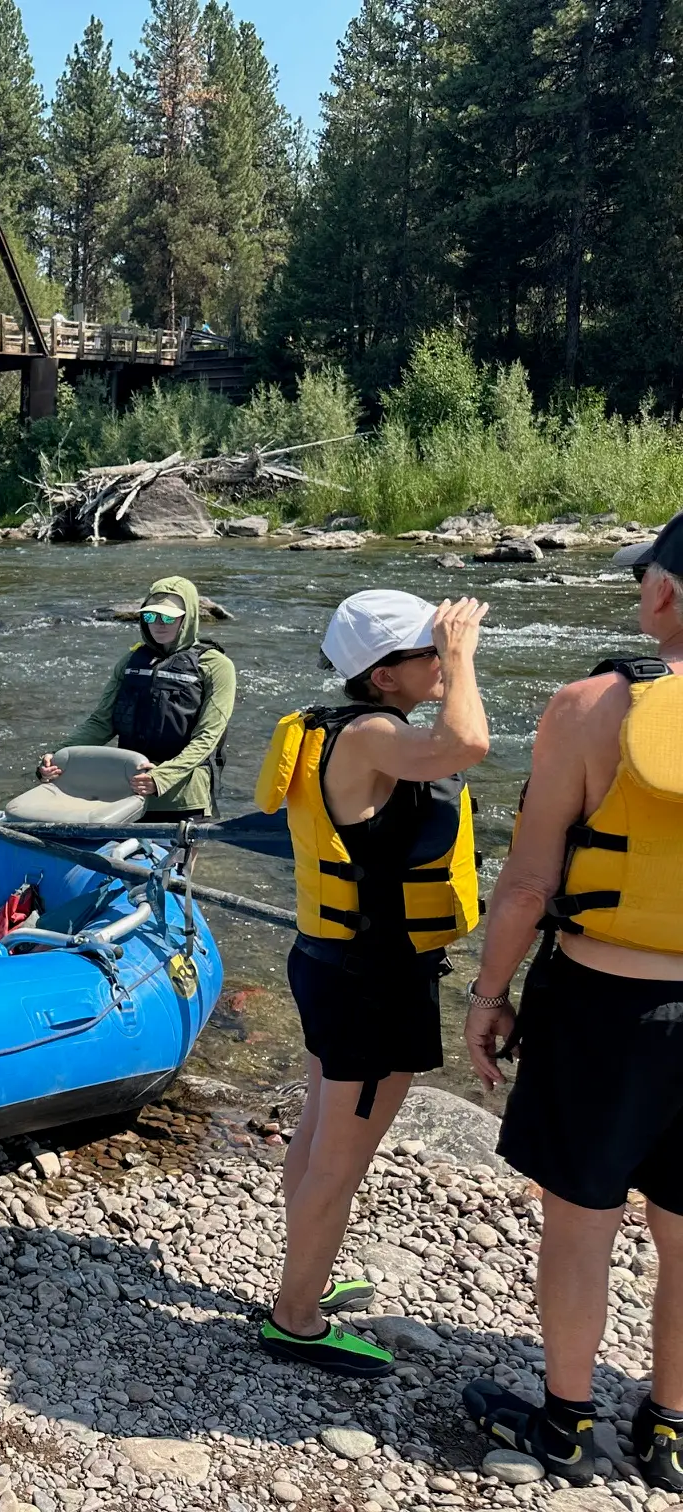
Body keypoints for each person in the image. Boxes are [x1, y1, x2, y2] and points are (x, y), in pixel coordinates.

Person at [460, 513, 683, 1489]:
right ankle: (671, 1431)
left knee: (583, 1221)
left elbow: (524, 887)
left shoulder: (590, 706)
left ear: (664, 594)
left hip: (604, 1009)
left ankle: (566, 1424)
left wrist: (487, 993)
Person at [251, 589, 490, 1375]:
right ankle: (296, 1318)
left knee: (322, 1129)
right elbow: (469, 743)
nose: (441, 660)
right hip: (369, 983)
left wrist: (444, 655)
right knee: (339, 1159)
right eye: (428, 652)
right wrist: (462, 659)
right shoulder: (377, 735)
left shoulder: (341, 728)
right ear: (384, 676)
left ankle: (303, 1278)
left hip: (336, 965)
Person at [38, 577, 236, 819]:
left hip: (183, 797)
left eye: (168, 617)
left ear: (188, 617)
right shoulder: (130, 661)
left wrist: (162, 777)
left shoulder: (216, 665)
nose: (159, 625)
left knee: (176, 857)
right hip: (128, 792)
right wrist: (57, 756)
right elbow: (102, 722)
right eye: (151, 616)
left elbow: (208, 737)